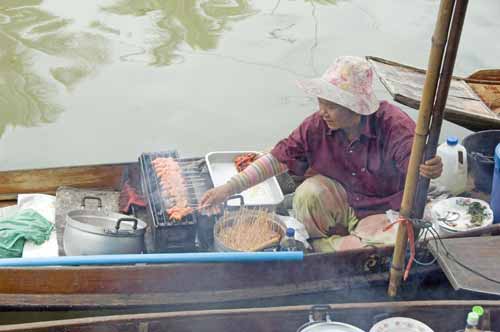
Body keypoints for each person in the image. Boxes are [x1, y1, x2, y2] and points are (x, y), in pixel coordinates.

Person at [200, 56, 442, 252]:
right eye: (321, 103)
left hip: (386, 208)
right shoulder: (318, 125)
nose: (323, 112)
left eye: (332, 106)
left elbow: (418, 168)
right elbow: (279, 158)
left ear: (355, 107)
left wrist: (431, 168)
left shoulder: (392, 125)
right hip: (347, 200)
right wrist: (228, 189)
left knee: (387, 243)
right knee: (307, 194)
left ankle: (336, 246)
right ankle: (330, 242)